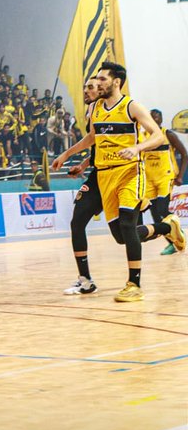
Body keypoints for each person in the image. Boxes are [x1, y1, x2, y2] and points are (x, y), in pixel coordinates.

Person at [52, 62, 168, 302]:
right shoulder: (95, 108)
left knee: (127, 225)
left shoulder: (131, 106)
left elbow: (157, 135)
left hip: (129, 172)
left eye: (103, 79)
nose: (98, 83)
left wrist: (137, 147)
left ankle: (134, 284)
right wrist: (66, 155)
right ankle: (168, 227)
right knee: (120, 236)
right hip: (104, 176)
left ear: (116, 82)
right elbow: (92, 138)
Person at [62, 78, 104, 295]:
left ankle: (166, 227)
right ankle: (85, 279)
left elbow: (93, 139)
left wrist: (67, 154)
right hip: (97, 174)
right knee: (77, 222)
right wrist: (84, 164)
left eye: (90, 87)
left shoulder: (112, 109)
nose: (85, 91)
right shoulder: (91, 110)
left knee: (125, 235)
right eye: (85, 87)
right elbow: (97, 144)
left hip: (119, 174)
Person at [139, 109, 186, 255]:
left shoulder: (168, 134)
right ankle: (173, 241)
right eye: (151, 118)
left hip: (165, 177)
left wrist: (180, 176)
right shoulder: (143, 136)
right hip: (149, 179)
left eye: (157, 117)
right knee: (155, 214)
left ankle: (177, 234)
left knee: (162, 210)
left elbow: (185, 154)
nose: (154, 120)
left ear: (161, 119)